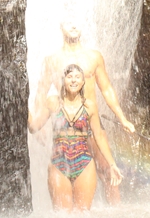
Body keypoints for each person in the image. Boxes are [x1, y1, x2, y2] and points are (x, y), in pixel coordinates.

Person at [35, 19, 135, 204]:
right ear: (61, 26)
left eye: (77, 22)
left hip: (91, 120)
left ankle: (116, 213)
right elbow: (41, 91)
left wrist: (122, 118)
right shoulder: (52, 60)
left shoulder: (94, 57)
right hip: (65, 123)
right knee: (65, 168)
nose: (74, 26)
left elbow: (106, 88)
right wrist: (38, 125)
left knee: (108, 169)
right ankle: (68, 215)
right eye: (69, 22)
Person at [29, 64, 123, 211]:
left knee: (82, 216)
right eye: (70, 76)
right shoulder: (53, 102)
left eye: (77, 77)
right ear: (63, 80)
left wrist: (112, 164)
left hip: (84, 162)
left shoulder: (89, 106)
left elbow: (98, 136)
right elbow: (34, 127)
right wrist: (23, 104)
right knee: (62, 216)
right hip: (58, 162)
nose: (73, 80)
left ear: (83, 82)